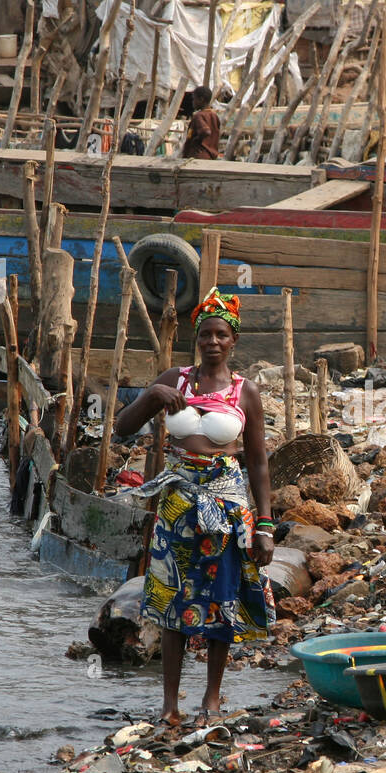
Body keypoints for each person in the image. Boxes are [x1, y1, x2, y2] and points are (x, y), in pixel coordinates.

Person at [113, 288, 275, 726]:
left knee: (222, 600)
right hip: (177, 506)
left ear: (233, 341)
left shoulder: (246, 393)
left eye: (222, 335)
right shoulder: (175, 379)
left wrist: (265, 526)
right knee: (171, 601)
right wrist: (151, 396)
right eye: (206, 334)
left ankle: (212, 698)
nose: (213, 342)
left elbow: (258, 463)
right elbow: (121, 429)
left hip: (226, 507)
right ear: (197, 339)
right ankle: (169, 703)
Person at [182, 85, 221, 159]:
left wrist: (195, 141)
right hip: (211, 155)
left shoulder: (198, 116)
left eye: (194, 99)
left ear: (201, 99)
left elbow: (205, 131)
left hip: (198, 155)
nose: (193, 102)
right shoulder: (214, 115)